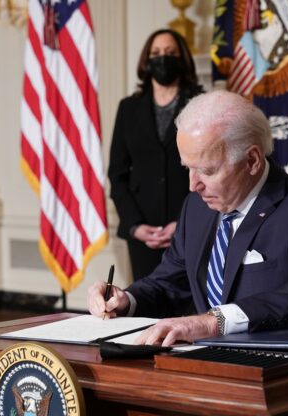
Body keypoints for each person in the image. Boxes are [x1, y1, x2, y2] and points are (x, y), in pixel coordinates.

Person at [89, 91, 288, 347]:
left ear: (251, 161)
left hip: (274, 373)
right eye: (187, 168)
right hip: (203, 369)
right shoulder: (197, 207)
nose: (193, 185)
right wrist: (126, 299)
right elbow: (168, 283)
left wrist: (215, 322)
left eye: (206, 170)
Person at [108, 29, 203, 280]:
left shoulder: (201, 104)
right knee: (146, 307)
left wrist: (182, 223)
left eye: (171, 53)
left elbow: (211, 169)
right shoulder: (128, 108)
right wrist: (134, 226)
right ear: (146, 61)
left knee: (188, 310)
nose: (163, 58)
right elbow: (117, 176)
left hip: (190, 226)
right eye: (156, 53)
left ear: (182, 59)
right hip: (143, 233)